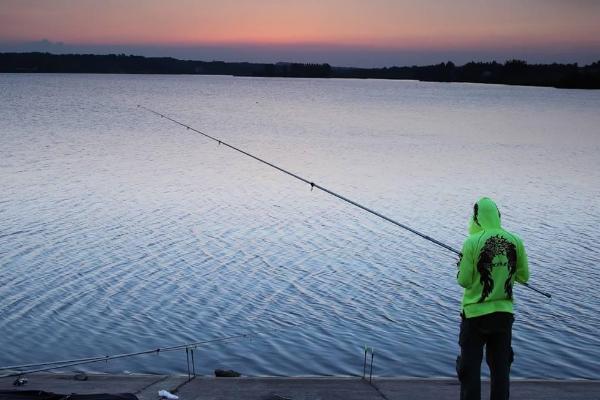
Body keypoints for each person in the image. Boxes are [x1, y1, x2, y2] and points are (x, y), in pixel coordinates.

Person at [456, 197, 529, 400]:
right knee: (501, 371)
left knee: (469, 371)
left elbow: (463, 280)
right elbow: (524, 277)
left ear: (477, 217)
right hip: (503, 316)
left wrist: (461, 263)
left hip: (474, 316)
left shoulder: (471, 242)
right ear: (497, 216)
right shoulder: (515, 241)